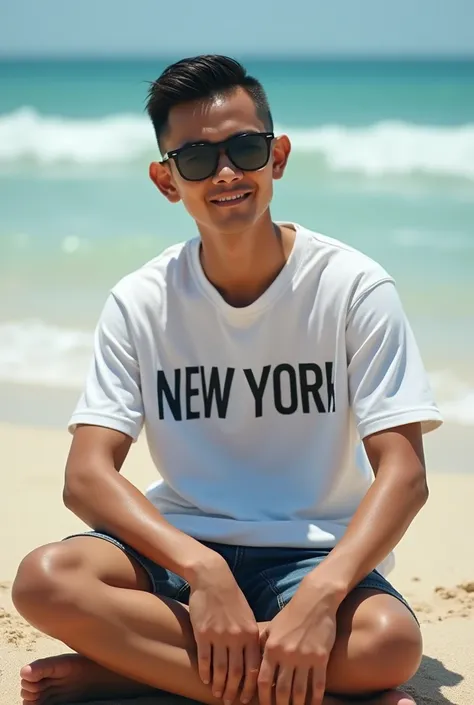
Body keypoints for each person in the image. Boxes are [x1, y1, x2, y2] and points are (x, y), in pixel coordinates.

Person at [13, 55, 442, 705]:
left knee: (388, 643)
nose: (225, 173)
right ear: (165, 180)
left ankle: (132, 672)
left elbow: (404, 474)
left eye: (245, 148)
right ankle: (304, 690)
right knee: (45, 579)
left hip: (311, 553)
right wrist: (202, 568)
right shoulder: (142, 299)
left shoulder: (352, 286)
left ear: (279, 157)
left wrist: (325, 593)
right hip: (179, 545)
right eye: (196, 159)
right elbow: (88, 476)